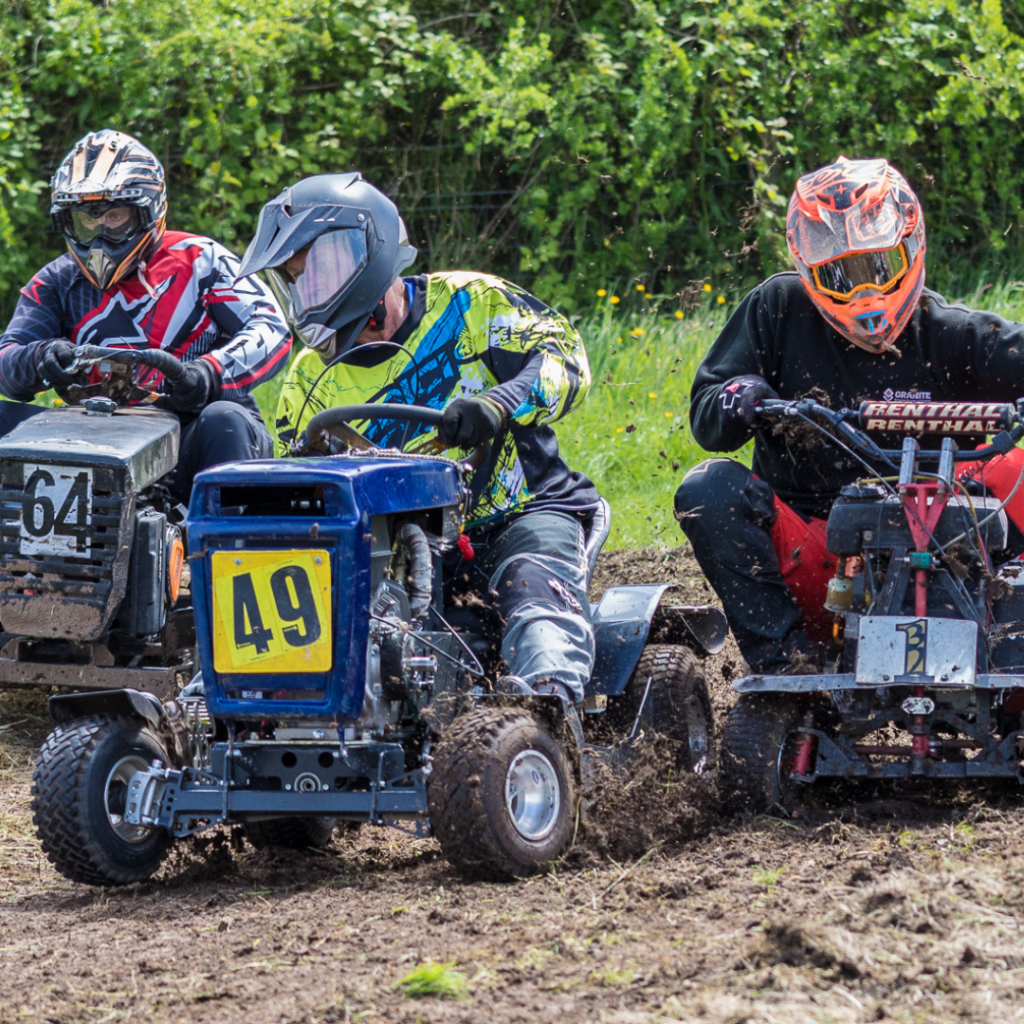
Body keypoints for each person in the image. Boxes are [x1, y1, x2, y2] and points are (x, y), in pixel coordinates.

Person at [236, 172, 599, 704]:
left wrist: (498, 403)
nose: (306, 291)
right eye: (294, 280)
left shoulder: (473, 302)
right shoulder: (309, 378)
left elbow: (566, 358)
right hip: (400, 549)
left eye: (315, 270)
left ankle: (548, 706)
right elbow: (305, 486)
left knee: (533, 591)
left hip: (520, 514)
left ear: (366, 250)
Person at [675, 155, 1024, 674]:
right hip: (823, 560)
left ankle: (1010, 642)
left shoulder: (951, 333)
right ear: (811, 272)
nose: (865, 292)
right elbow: (707, 415)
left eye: (878, 268)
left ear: (910, 248)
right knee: (708, 490)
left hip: (957, 550)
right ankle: (789, 668)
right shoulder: (779, 309)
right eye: (840, 275)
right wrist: (743, 394)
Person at [0, 129, 291, 502]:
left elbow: (271, 328)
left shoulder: (201, 260)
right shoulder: (55, 281)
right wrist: (39, 358)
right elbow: (8, 358)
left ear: (148, 212)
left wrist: (207, 373)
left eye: (114, 215)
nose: (99, 234)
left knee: (225, 420)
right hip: (88, 441)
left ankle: (229, 536)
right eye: (86, 219)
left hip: (186, 436)